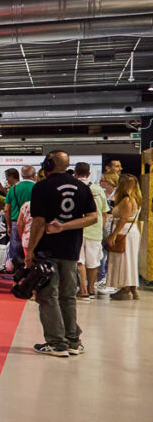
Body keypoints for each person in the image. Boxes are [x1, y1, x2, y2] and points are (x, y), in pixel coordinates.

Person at [26, 151, 97, 357]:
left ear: (48, 164)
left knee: (48, 296)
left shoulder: (42, 187)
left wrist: (30, 250)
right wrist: (65, 227)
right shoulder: (82, 187)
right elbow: (93, 217)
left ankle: (57, 343)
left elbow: (39, 222)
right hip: (71, 249)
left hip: (47, 250)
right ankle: (73, 340)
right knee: (68, 296)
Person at [73, 162, 108, 299]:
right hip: (95, 230)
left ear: (75, 173)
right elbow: (104, 212)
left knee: (79, 260)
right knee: (93, 261)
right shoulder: (98, 189)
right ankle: (91, 289)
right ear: (89, 174)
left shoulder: (74, 188)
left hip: (77, 228)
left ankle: (83, 290)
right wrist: (101, 228)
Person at [105, 173, 142, 301]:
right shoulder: (136, 199)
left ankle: (125, 289)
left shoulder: (126, 200)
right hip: (132, 232)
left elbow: (124, 218)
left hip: (124, 231)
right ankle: (133, 288)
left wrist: (114, 234)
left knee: (123, 260)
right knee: (130, 260)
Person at [3, 165, 35, 271]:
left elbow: (6, 209)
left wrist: (8, 226)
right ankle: (31, 272)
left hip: (15, 222)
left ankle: (17, 272)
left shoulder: (13, 189)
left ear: (22, 175)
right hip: (33, 223)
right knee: (32, 248)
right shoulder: (38, 187)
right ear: (34, 175)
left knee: (16, 250)